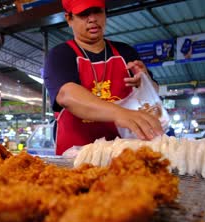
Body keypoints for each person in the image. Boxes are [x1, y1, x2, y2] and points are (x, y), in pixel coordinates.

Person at [44, 0, 163, 155]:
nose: (92, 19)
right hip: (77, 155)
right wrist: (120, 113)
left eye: (97, 11)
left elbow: (155, 90)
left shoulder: (125, 52)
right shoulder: (61, 54)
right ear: (69, 19)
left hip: (124, 153)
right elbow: (67, 95)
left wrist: (145, 81)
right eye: (83, 14)